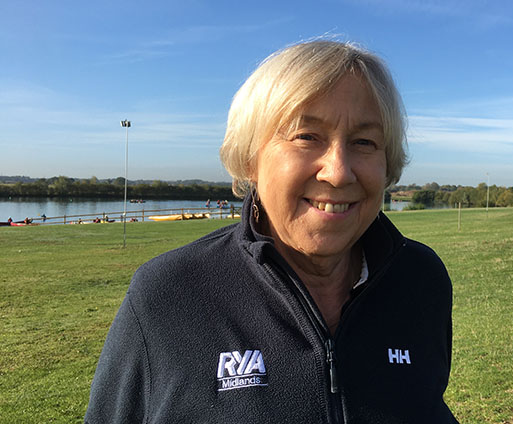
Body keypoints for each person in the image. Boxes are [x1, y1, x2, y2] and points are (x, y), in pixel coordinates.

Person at [86, 39, 457, 423]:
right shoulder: (168, 295)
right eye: (306, 136)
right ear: (251, 159)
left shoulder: (420, 280)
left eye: (364, 141)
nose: (339, 171)